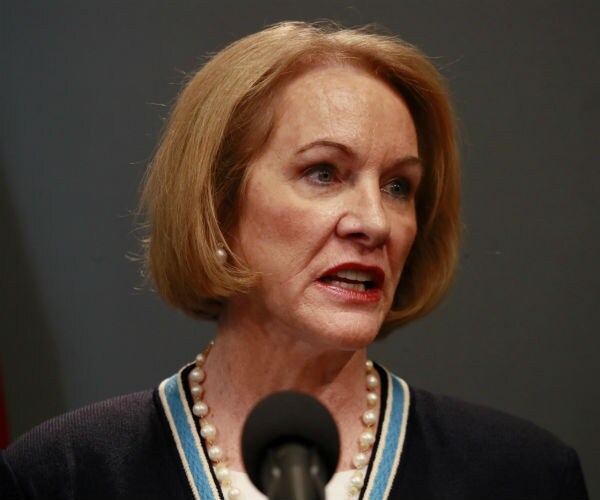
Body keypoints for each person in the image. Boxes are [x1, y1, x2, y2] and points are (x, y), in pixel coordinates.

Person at [0, 21, 588, 500]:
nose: (375, 223)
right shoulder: (63, 476)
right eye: (324, 173)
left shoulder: (522, 476)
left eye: (398, 186)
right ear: (219, 204)